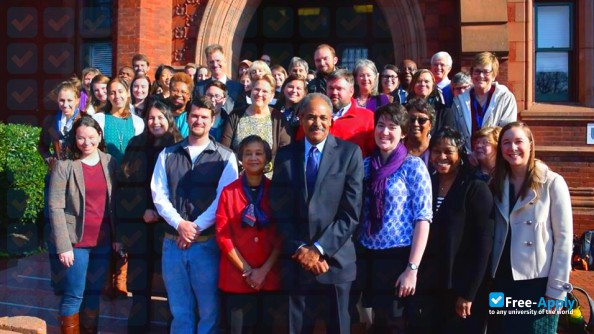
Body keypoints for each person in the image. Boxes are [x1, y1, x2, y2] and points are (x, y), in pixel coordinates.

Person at [270, 93, 363, 334]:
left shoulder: (349, 153)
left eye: (323, 117)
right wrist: (301, 249)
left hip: (336, 262)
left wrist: (319, 249)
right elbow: (280, 209)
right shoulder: (286, 155)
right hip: (297, 261)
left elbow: (351, 213)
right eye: (310, 117)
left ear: (332, 120)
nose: (317, 123)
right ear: (300, 119)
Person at [151, 96, 239, 333]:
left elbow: (224, 199)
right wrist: (180, 224)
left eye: (204, 117)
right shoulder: (168, 155)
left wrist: (194, 228)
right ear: (187, 118)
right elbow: (159, 195)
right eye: (194, 116)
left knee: (209, 311)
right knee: (180, 311)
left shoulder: (226, 156)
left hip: (206, 244)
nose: (198, 121)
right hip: (173, 245)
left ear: (212, 121)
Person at [489, 121, 573, 334]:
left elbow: (564, 240)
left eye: (518, 141)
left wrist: (556, 292)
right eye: (506, 143)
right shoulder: (495, 183)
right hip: (501, 281)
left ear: (530, 144)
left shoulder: (552, 183)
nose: (512, 148)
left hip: (537, 283)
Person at [355, 103, 432, 333]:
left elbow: (423, 219)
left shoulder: (413, 167)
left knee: (395, 324)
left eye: (392, 126)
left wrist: (412, 268)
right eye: (380, 125)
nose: (385, 132)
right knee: (373, 323)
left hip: (398, 258)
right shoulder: (365, 165)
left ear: (404, 133)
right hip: (367, 256)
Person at [413, 127, 493, 333]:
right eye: (436, 151)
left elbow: (483, 246)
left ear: (460, 154)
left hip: (460, 288)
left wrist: (469, 294)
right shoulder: (426, 183)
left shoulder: (475, 188)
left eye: (448, 151)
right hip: (429, 286)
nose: (442, 157)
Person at [48, 116, 119, 333]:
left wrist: (118, 238)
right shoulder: (65, 165)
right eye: (81, 138)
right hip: (75, 243)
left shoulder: (110, 162)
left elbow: (114, 203)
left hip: (103, 242)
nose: (86, 143)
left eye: (91, 137)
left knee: (93, 294)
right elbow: (55, 206)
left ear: (99, 135)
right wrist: (63, 246)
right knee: (74, 294)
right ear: (74, 138)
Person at [118, 100, 182, 332]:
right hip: (139, 225)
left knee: (170, 284)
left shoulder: (178, 146)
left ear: (169, 120)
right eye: (151, 118)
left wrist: (160, 212)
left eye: (160, 118)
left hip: (168, 226)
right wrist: (140, 211)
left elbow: (180, 188)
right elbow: (125, 185)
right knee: (140, 284)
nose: (155, 122)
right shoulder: (136, 144)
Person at [215, 135, 283, 333]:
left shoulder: (276, 191)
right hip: (237, 277)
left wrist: (262, 271)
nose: (253, 158)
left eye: (259, 153)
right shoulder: (229, 192)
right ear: (240, 158)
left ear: (267, 158)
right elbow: (223, 234)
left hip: (268, 276)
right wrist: (247, 270)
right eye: (248, 154)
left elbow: (281, 235)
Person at [39, 78, 82, 294]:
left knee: (73, 225)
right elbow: (41, 146)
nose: (65, 105)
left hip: (76, 181)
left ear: (77, 101)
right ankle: (58, 280)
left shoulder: (84, 121)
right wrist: (48, 159)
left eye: (69, 100)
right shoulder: (50, 121)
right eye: (61, 101)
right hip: (55, 180)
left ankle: (75, 276)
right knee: (54, 228)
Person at [451, 51, 517, 152]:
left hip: (496, 160)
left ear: (494, 75)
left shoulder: (505, 98)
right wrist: (468, 154)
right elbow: (455, 133)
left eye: (486, 72)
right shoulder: (459, 102)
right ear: (472, 73)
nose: (481, 76)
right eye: (477, 71)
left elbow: (507, 131)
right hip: (468, 161)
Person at [221, 74, 291, 165]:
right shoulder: (235, 115)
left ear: (272, 95)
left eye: (265, 91)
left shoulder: (278, 118)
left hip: (269, 175)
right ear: (251, 91)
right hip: (239, 172)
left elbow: (285, 151)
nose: (259, 94)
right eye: (257, 89)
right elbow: (225, 148)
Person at [93, 78, 145, 164]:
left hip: (130, 171)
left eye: (120, 91)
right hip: (105, 169)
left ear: (128, 93)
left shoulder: (138, 122)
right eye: (112, 93)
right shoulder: (98, 119)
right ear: (108, 97)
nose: (117, 96)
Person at [325, 69, 375, 157]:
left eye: (339, 89)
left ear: (351, 91)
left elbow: (375, 153)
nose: (334, 92)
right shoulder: (315, 116)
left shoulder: (368, 118)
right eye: (331, 88)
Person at [194, 44, 243, 113]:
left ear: (225, 61)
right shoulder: (199, 88)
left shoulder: (238, 88)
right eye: (211, 62)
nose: (215, 64)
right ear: (207, 64)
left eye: (218, 61)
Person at [408, 69, 454, 137]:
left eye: (426, 81)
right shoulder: (404, 110)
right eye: (419, 81)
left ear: (433, 86)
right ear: (413, 85)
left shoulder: (444, 111)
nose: (423, 84)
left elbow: (447, 137)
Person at [404, 97, 435, 166]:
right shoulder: (397, 147)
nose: (415, 124)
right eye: (411, 119)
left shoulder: (435, 149)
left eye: (422, 120)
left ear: (430, 125)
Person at [168, 72, 194, 137]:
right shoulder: (161, 112)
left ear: (189, 96)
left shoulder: (193, 116)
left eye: (183, 92)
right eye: (175, 90)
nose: (179, 95)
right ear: (169, 91)